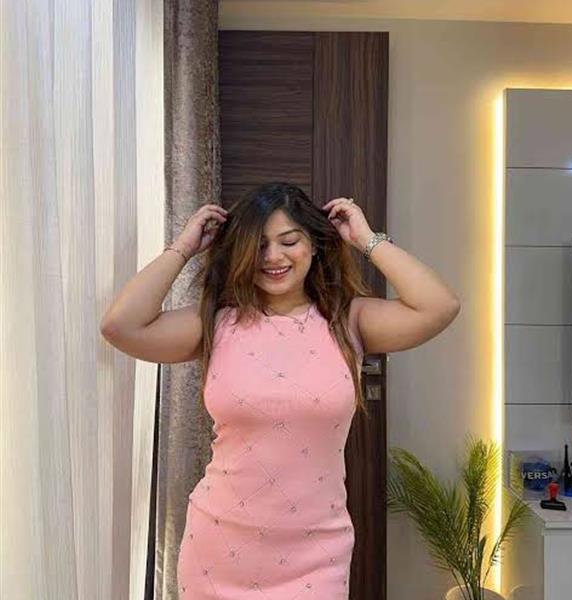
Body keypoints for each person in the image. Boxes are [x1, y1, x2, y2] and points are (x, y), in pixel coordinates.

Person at [100, 182, 460, 599]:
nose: (273, 257)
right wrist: (183, 248)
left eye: (289, 241)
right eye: (258, 245)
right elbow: (120, 326)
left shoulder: (349, 320)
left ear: (314, 245)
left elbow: (440, 306)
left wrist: (367, 240)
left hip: (316, 555)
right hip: (220, 547)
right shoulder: (216, 323)